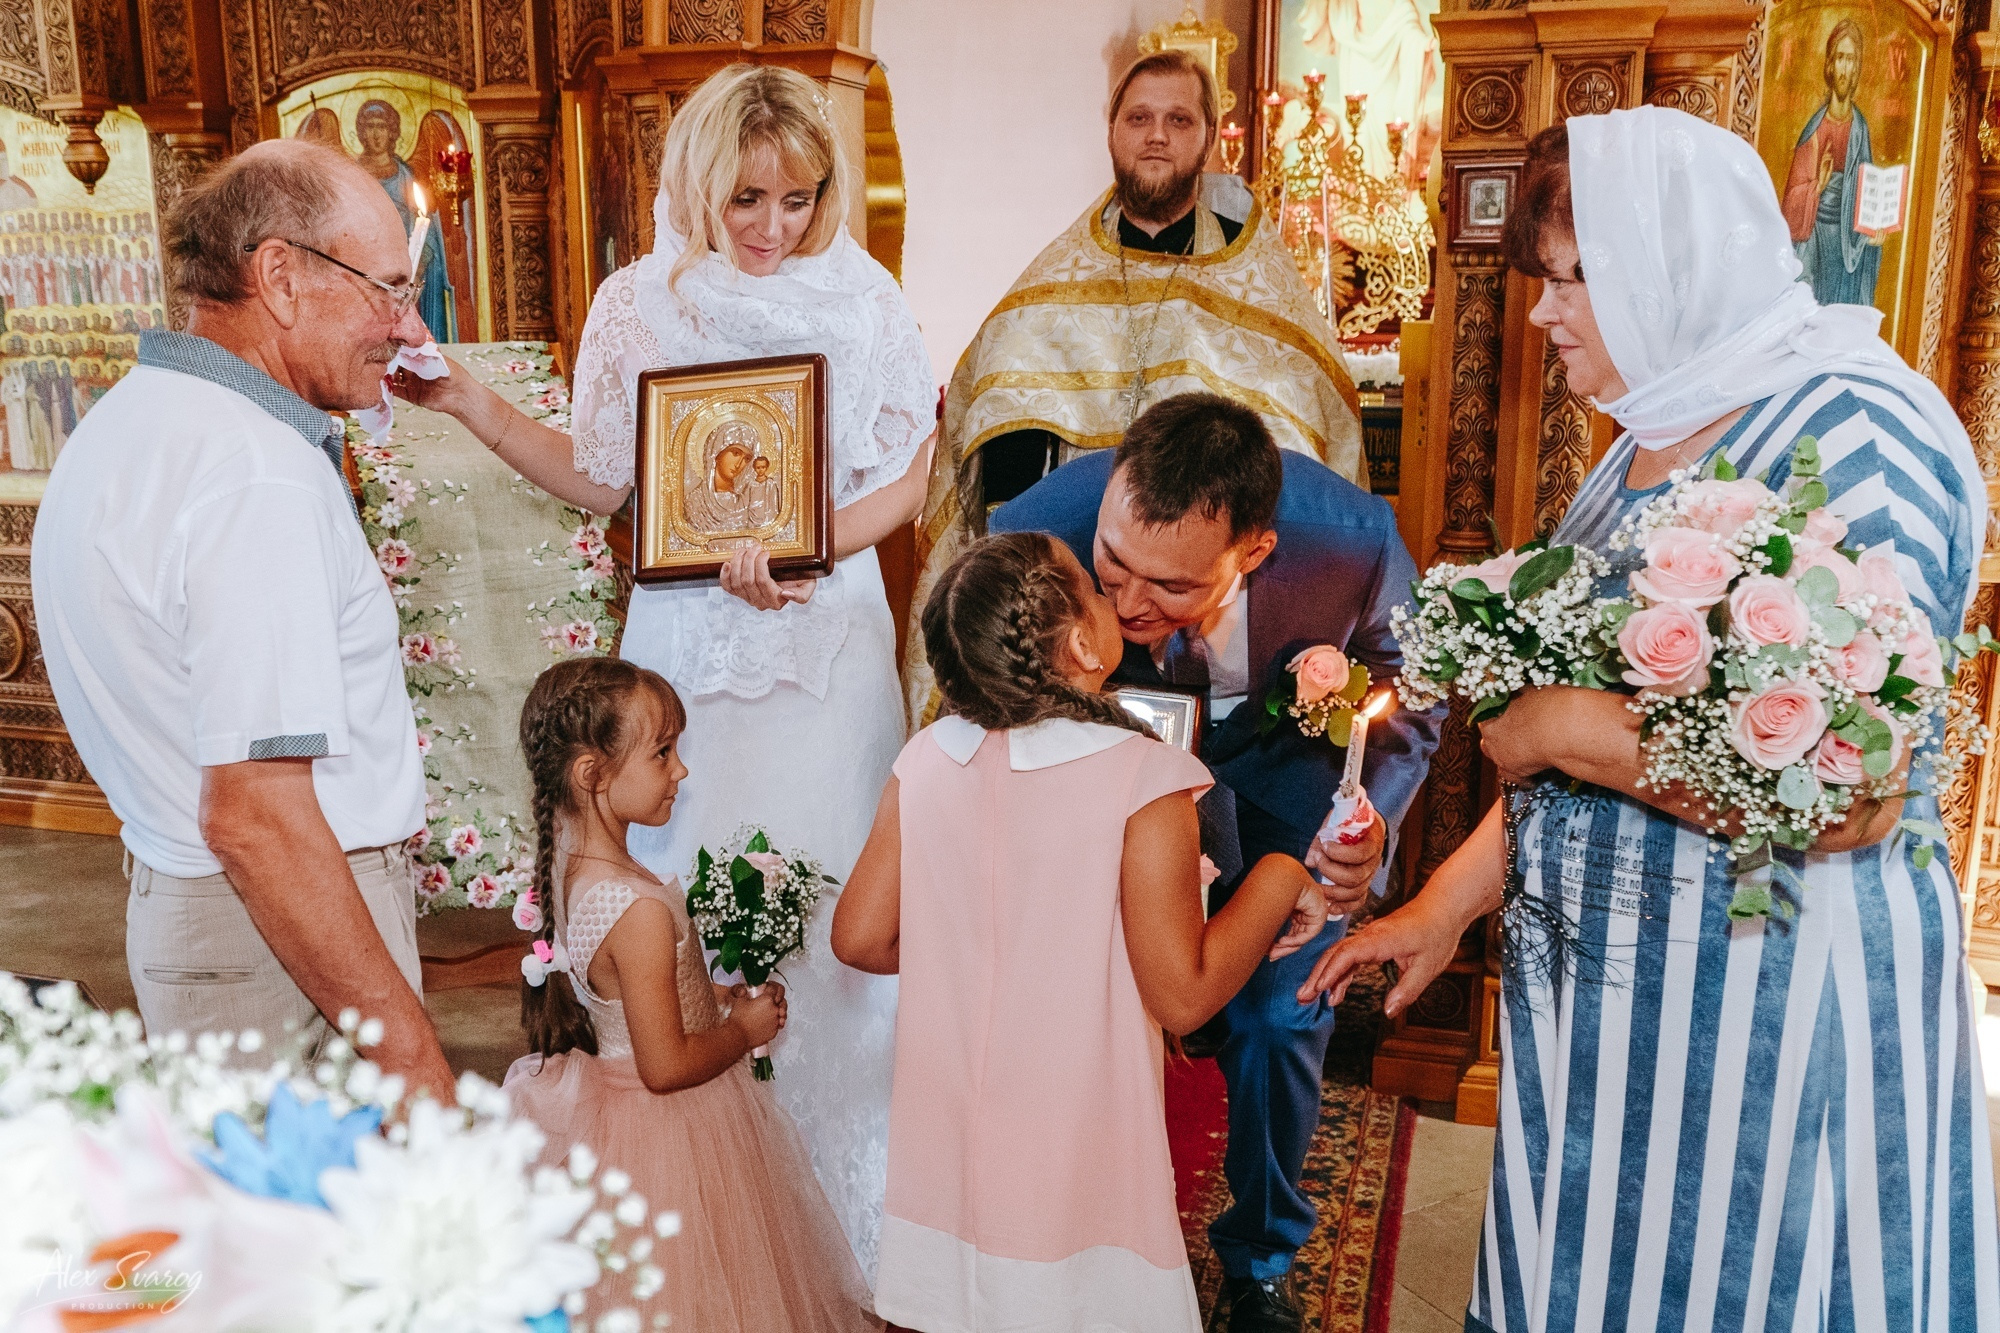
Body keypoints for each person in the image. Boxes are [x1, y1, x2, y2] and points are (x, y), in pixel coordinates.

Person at [1308, 107, 1999, 1333]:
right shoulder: (1656, 426)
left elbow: (1853, 788)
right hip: (1618, 1006)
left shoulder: (1850, 430)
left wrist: (1561, 728)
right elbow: (1600, 743)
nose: (1540, 313)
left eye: (1570, 280)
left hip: (1771, 990)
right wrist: (1437, 909)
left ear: (1665, 266)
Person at [391, 63, 937, 1279]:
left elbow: (905, 477)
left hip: (823, 636)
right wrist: (473, 406)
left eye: (797, 199)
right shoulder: (639, 304)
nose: (771, 227)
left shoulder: (863, 297)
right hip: (688, 648)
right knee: (682, 894)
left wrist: (801, 550)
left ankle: (848, 1212)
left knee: (838, 888)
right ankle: (706, 1210)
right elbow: (604, 479)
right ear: (697, 183)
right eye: (747, 198)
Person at [989, 392, 1440, 1332]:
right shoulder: (1034, 529)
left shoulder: (1349, 540)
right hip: (1106, 808)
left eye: (1169, 588)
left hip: (1289, 811)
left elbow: (1419, 697)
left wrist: (1367, 838)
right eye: (1112, 563)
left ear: (1256, 551)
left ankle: (1260, 1258)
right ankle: (1062, 1235)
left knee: (1281, 1019)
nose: (1123, 602)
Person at [29, 140, 454, 1098]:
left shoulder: (129, 421)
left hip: (201, 916)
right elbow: (257, 816)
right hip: (285, 937)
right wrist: (414, 1060)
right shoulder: (255, 473)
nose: (405, 322)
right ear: (280, 276)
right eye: (386, 287)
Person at [833, 530, 1328, 1333]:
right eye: (1096, 593)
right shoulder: (1142, 773)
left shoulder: (926, 757)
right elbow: (1182, 995)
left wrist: (989, 944)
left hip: (953, 1156)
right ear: (1075, 642)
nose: (1113, 604)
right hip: (1076, 1149)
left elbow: (856, 936)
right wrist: (1278, 877)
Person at [906, 48, 1364, 719]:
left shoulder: (1263, 295)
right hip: (1075, 588)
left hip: (1213, 601)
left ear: (1208, 137)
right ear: (1112, 131)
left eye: (1179, 120)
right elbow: (987, 440)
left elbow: (1312, 436)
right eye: (1139, 117)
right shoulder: (1047, 287)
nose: (1157, 134)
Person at [503, 656, 878, 1332]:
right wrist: (746, 1029)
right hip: (672, 1127)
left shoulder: (578, 869)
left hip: (620, 1113)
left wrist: (713, 993)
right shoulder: (636, 908)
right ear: (593, 774)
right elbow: (667, 1064)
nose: (681, 770)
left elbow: (628, 994)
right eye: (663, 752)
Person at [1782, 20, 1879, 308]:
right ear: (1829, 65)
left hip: (1848, 247)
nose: (1844, 69)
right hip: (1816, 241)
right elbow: (1789, 205)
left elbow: (1867, 194)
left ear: (1857, 67)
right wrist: (1817, 187)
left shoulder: (1860, 130)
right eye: (1839, 58)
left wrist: (1875, 227)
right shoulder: (1815, 128)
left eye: (1851, 60)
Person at [353, 100, 450, 337]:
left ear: (393, 132)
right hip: (362, 269)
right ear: (361, 132)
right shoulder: (350, 175)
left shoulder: (405, 176)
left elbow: (426, 227)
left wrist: (418, 263)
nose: (376, 134)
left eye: (382, 127)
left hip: (404, 270)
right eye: (370, 127)